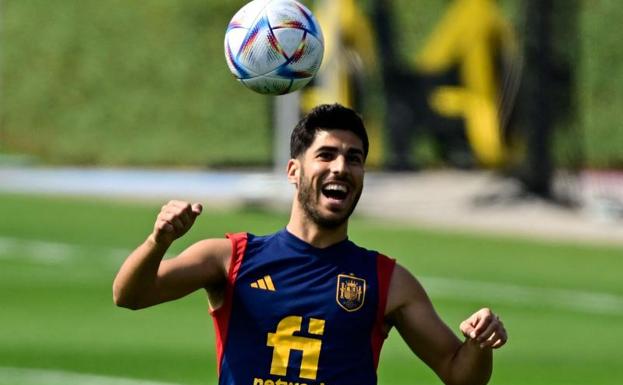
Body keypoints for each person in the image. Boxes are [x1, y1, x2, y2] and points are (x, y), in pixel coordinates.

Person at [113, 103, 507, 385]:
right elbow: (129, 294)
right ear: (293, 171)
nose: (341, 167)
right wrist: (158, 240)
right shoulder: (230, 257)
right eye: (327, 155)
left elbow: (460, 375)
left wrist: (480, 342)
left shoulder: (388, 280)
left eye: (354, 158)